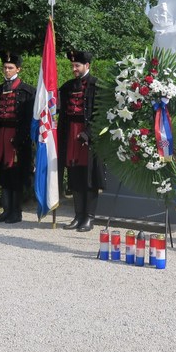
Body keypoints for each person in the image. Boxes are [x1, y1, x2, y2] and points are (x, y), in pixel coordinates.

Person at [0, 51, 36, 225]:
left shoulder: (27, 91)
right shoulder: (0, 89)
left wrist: (19, 139)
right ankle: (6, 210)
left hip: (17, 139)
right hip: (1, 137)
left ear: (18, 69)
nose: (6, 70)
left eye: (10, 68)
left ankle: (16, 212)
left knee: (16, 176)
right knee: (3, 175)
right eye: (5, 67)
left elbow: (29, 120)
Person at [57, 49, 104, 232]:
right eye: (72, 65)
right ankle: (77, 216)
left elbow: (101, 115)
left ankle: (89, 218)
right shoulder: (67, 87)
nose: (74, 69)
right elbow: (61, 114)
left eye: (77, 65)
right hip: (71, 136)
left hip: (88, 139)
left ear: (87, 66)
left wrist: (89, 133)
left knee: (89, 178)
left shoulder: (97, 86)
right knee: (75, 177)